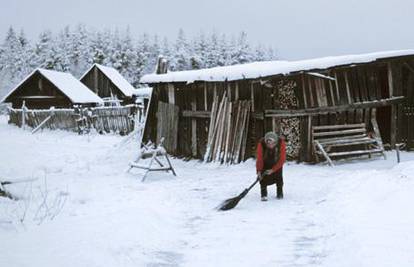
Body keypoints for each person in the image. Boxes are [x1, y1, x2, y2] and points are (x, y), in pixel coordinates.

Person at [256, 131, 286, 201]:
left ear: (275, 142)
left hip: (277, 162)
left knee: (279, 177)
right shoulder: (261, 144)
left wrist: (273, 170)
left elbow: (282, 159)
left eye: (272, 143)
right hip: (265, 161)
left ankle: (280, 193)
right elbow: (259, 159)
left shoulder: (281, 143)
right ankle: (263, 194)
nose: (270, 145)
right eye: (268, 143)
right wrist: (259, 171)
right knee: (262, 177)